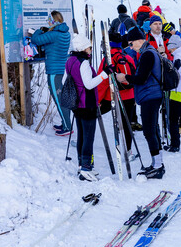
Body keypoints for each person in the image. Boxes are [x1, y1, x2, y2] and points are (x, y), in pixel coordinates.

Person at [116, 28, 166, 180]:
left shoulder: (147, 54)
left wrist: (125, 77)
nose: (131, 47)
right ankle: (158, 163)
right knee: (153, 130)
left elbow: (142, 78)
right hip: (151, 94)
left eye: (131, 44)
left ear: (138, 40)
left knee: (149, 131)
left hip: (150, 95)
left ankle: (157, 166)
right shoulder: (149, 51)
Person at [64, 34, 112, 181]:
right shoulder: (83, 62)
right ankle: (86, 167)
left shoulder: (70, 60)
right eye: (89, 46)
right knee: (89, 136)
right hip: (87, 103)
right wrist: (104, 74)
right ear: (84, 48)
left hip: (77, 103)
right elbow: (89, 84)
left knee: (82, 135)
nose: (91, 49)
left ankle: (82, 165)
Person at [29, 10, 72, 136]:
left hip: (53, 70)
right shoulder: (64, 33)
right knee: (61, 97)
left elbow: (36, 40)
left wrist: (38, 30)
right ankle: (66, 123)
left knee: (58, 100)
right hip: (59, 69)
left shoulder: (54, 34)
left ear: (54, 21)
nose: (48, 22)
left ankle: (67, 127)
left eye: (49, 20)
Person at [97, 32, 137, 160]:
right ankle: (129, 151)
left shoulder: (107, 60)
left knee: (91, 115)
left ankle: (84, 142)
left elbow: (102, 83)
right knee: (127, 124)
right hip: (129, 96)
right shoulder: (128, 58)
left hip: (111, 96)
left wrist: (98, 99)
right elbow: (134, 77)